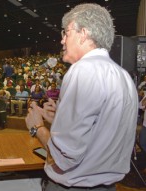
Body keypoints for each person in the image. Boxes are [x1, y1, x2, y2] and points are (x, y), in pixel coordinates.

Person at [25, 3, 138, 191]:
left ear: (83, 34)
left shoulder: (82, 70)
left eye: (66, 33)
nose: (62, 40)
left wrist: (37, 127)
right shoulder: (123, 76)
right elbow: (101, 132)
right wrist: (61, 118)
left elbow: (65, 157)